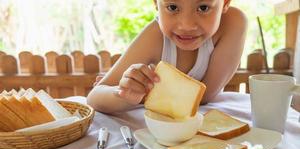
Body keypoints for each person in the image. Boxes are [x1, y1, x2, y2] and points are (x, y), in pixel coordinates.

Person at [87, 0, 247, 113]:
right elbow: (95, 97)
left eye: (203, 8)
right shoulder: (154, 36)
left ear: (225, 3)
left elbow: (205, 96)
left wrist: (146, 96)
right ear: (156, 3)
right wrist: (124, 94)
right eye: (172, 7)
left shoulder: (234, 23)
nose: (186, 25)